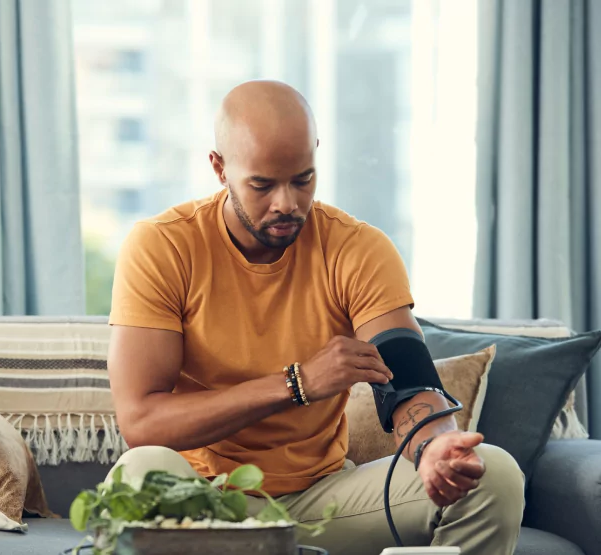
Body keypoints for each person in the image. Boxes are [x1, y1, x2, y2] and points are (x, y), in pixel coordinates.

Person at [106, 80, 524, 555]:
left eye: (303, 179)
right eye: (262, 185)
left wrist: (435, 448)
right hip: (203, 504)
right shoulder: (163, 247)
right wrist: (297, 382)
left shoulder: (357, 249)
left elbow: (408, 379)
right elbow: (141, 421)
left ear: (316, 155)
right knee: (138, 475)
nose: (287, 203)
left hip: (323, 504)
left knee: (495, 475)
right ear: (219, 168)